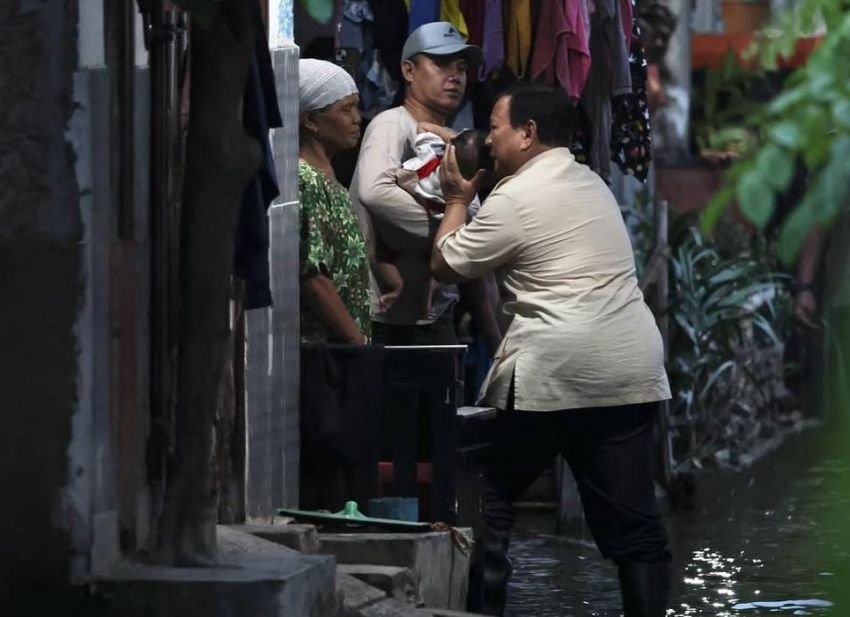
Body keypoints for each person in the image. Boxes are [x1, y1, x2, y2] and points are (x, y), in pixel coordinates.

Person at [431, 83, 673, 616]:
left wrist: (455, 199)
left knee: (489, 496)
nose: (489, 140)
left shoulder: (514, 198)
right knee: (635, 527)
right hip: (628, 367)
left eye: (495, 127)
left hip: (557, 369)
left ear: (528, 132)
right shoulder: (592, 183)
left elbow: (446, 263)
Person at [350, 21, 500, 349]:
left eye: (461, 67)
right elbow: (374, 192)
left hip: (435, 314)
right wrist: (449, 235)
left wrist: (494, 336)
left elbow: (468, 216)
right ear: (408, 70)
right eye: (440, 63)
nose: (455, 75)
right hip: (389, 322)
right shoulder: (392, 125)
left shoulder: (457, 140)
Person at [297, 59, 382, 511]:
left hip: (344, 349)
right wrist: (354, 340)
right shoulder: (304, 180)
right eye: (346, 109)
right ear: (311, 119)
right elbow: (311, 275)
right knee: (325, 463)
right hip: (322, 353)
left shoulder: (332, 178)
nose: (358, 119)